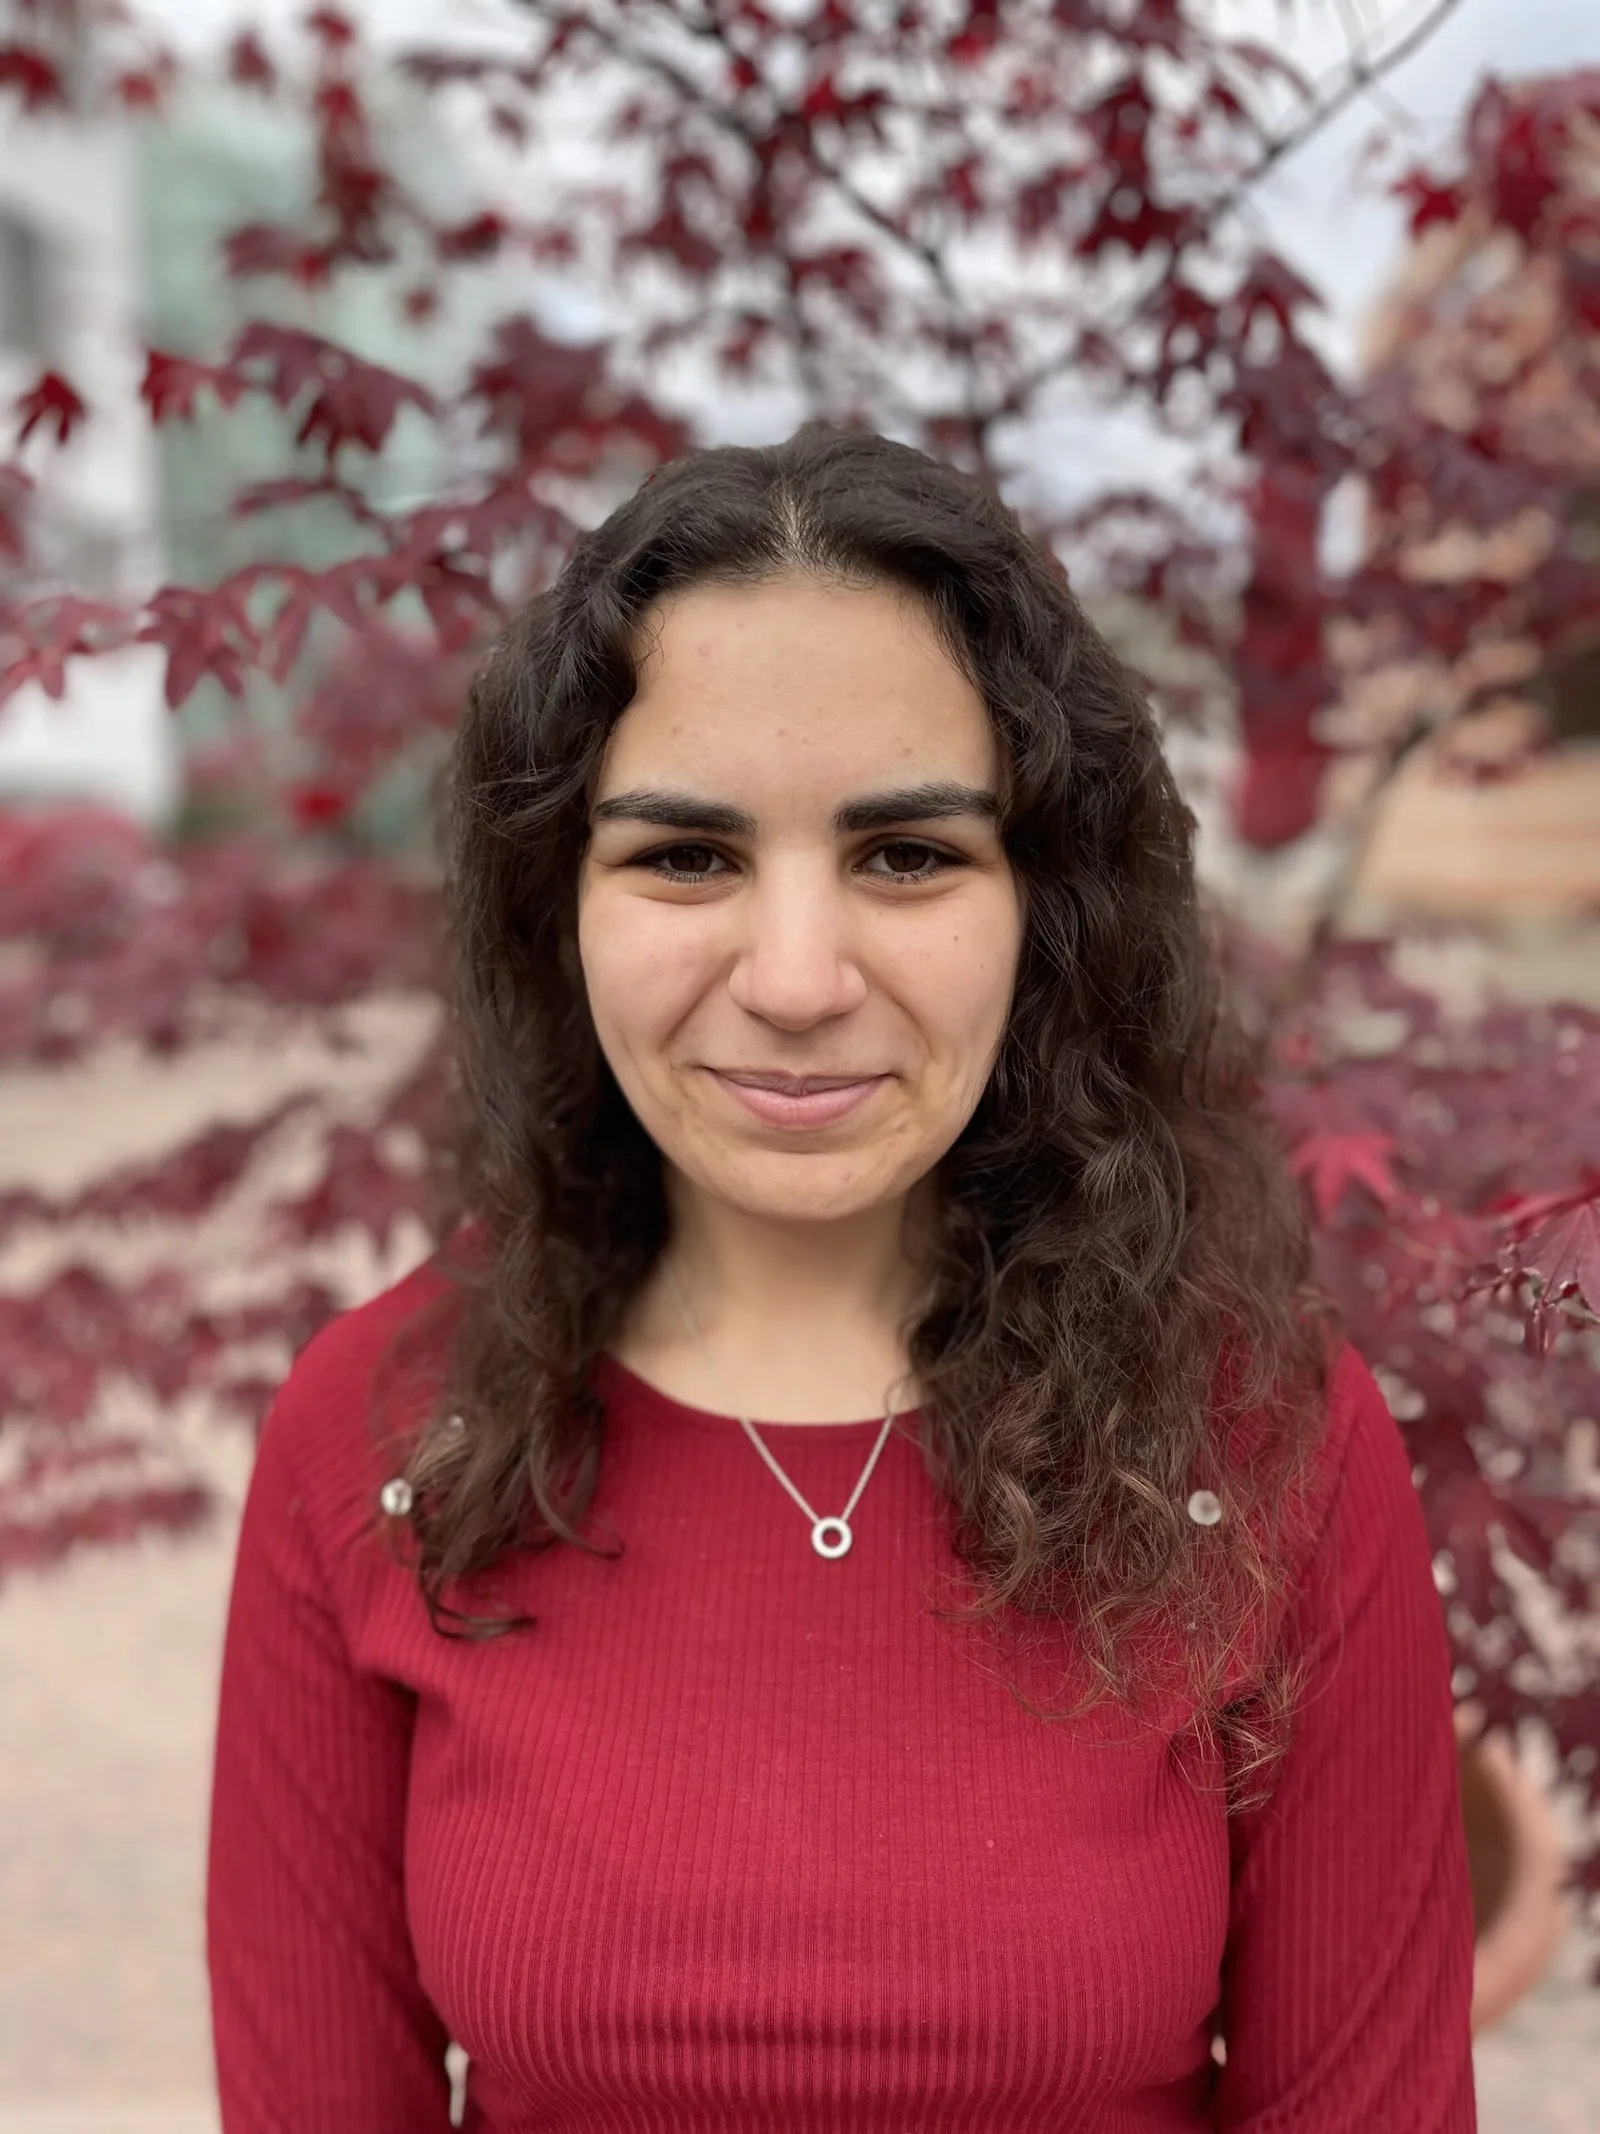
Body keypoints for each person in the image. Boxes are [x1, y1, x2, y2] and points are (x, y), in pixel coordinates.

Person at [206, 423, 1476, 2131]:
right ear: (555, 905)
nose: (797, 981)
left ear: (1049, 908)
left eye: (907, 854)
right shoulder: (377, 1434)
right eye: (686, 855)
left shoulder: (1264, 1439)